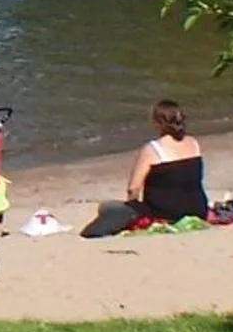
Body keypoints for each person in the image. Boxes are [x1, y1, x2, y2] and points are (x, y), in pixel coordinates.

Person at [82, 100, 210, 237]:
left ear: (158, 123)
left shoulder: (153, 149)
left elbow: (133, 188)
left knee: (108, 207)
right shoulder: (193, 143)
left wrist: (133, 206)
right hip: (198, 209)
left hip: (165, 212)